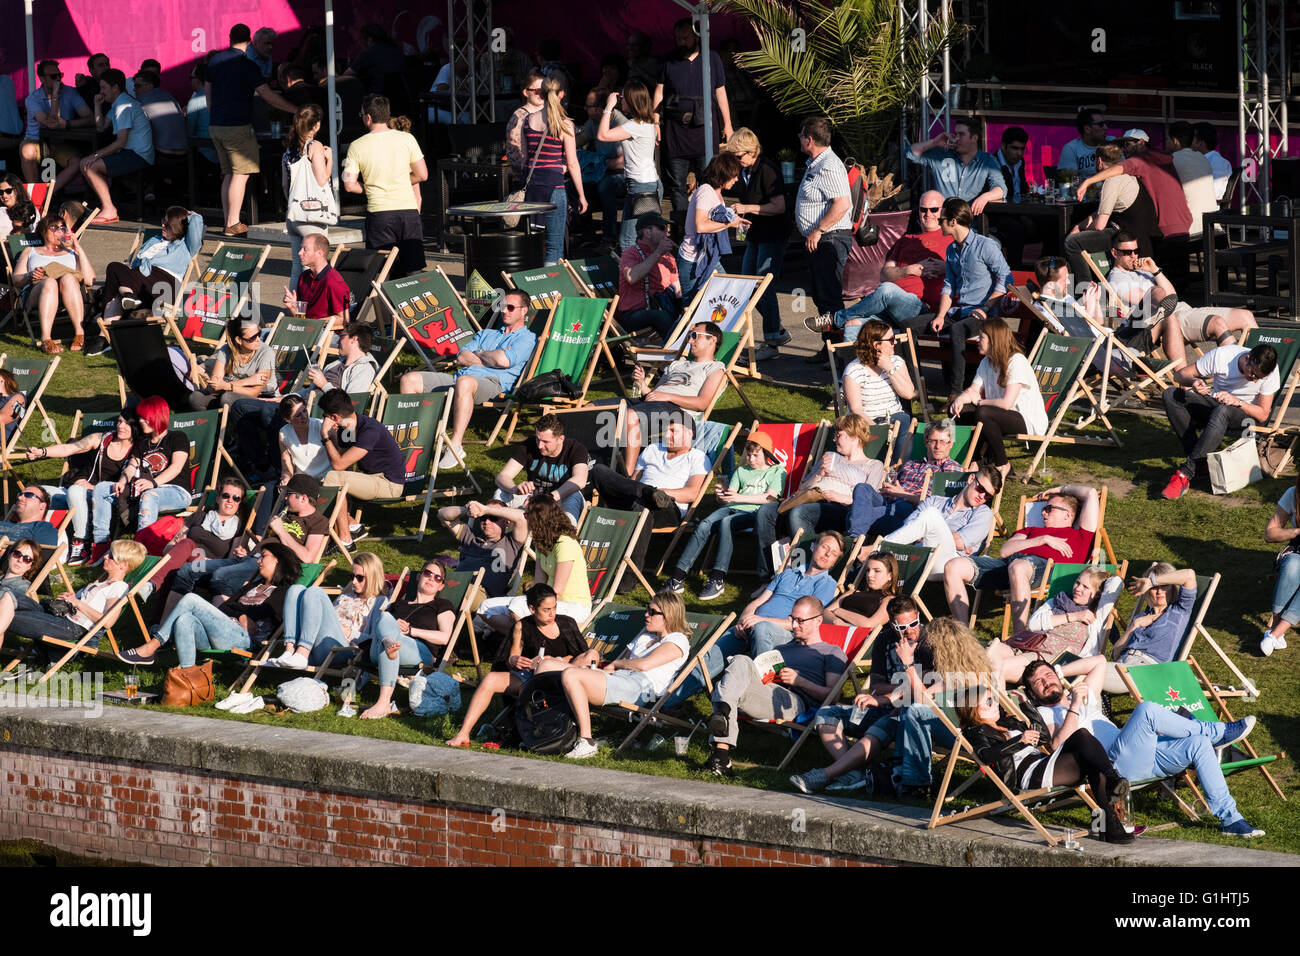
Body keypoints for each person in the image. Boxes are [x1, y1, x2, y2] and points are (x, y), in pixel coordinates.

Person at [1019, 656, 1263, 837]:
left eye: (1048, 675)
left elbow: (1100, 661)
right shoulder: (1044, 712)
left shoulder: (1082, 693)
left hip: (1143, 754)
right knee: (1146, 710)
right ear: (1032, 692)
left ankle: (1231, 820)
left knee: (1198, 744)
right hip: (1114, 766)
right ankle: (1217, 732)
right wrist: (1075, 706)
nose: (1046, 682)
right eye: (1038, 682)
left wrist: (1060, 670)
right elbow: (1058, 745)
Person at [789, 610, 976, 798]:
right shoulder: (941, 671)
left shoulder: (962, 675)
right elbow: (913, 694)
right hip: (902, 712)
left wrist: (908, 664)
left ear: (945, 648)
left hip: (945, 731)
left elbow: (921, 699)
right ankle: (850, 772)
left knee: (906, 713)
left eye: (933, 645)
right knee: (829, 713)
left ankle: (827, 774)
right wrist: (878, 699)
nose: (927, 647)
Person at [665, 532, 843, 708]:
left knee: (763, 628)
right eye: (825, 547)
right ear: (813, 547)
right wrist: (744, 620)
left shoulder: (827, 584)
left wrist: (759, 621)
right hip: (753, 626)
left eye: (834, 553)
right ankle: (665, 703)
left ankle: (765, 692)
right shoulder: (787, 574)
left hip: (786, 635)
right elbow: (758, 601)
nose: (828, 554)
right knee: (709, 657)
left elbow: (806, 622)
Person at [958, 685, 1134, 843]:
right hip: (1029, 774)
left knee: (1090, 757)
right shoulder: (976, 731)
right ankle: (1112, 792)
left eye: (994, 698)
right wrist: (1020, 740)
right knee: (1082, 736)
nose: (995, 703)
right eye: (989, 701)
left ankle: (1109, 825)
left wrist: (1027, 706)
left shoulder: (1006, 722)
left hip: (1042, 761)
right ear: (975, 710)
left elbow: (1043, 737)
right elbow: (986, 756)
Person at [704, 595, 846, 777]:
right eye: (792, 619)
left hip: (794, 703)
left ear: (818, 621)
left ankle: (721, 731)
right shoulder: (783, 648)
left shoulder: (832, 652)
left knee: (725, 690)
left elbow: (833, 697)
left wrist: (799, 681)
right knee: (740, 660)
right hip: (766, 692)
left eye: (800, 621)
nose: (794, 625)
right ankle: (721, 751)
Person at [543, 591, 691, 759]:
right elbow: (622, 664)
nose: (646, 614)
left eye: (652, 611)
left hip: (641, 688)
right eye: (647, 609)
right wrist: (605, 669)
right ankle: (543, 729)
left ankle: (586, 741)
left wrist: (616, 664)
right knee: (546, 665)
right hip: (620, 679)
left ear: (669, 616)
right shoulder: (644, 637)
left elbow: (643, 665)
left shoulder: (678, 640)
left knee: (571, 675)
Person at [399, 288, 538, 468]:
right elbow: (462, 357)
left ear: (524, 311)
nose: (504, 310)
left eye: (510, 307)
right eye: (502, 306)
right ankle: (416, 439)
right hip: (460, 378)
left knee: (464, 383)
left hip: (494, 385)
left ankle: (456, 445)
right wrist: (489, 358)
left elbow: (503, 361)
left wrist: (479, 354)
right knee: (409, 380)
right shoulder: (487, 333)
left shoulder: (527, 338)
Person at [446, 582, 591, 747]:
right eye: (546, 610)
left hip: (562, 676)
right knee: (491, 679)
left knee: (529, 690)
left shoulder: (566, 624)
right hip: (530, 675)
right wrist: (514, 660)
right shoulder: (523, 626)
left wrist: (558, 660)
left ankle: (526, 732)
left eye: (554, 608)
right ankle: (463, 733)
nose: (552, 614)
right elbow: (512, 656)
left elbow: (581, 656)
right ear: (532, 609)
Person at [118, 540, 300, 668]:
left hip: (244, 642)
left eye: (264, 556)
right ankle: (188, 678)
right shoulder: (253, 585)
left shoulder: (284, 591)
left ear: (277, 560)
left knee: (191, 599)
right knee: (185, 620)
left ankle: (153, 645)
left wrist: (240, 612)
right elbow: (224, 608)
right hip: (225, 632)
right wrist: (243, 614)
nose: (259, 561)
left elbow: (262, 612)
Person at [944, 484, 1102, 631]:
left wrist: (1060, 488)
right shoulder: (1031, 530)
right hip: (1009, 566)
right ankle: (963, 634)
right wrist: (1043, 539)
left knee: (1018, 566)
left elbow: (1091, 493)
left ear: (1067, 515)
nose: (1043, 512)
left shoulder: (1080, 536)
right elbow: (1005, 551)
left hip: (1046, 569)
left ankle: (1020, 635)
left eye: (1049, 508)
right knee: (953, 566)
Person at [804, 189, 951, 338]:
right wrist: (909, 270)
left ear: (943, 211)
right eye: (923, 209)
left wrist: (945, 267)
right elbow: (884, 275)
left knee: (887, 290)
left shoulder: (949, 239)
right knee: (852, 325)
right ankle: (849, 361)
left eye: (934, 210)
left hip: (920, 309)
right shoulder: (906, 240)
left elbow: (966, 270)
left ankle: (835, 319)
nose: (928, 214)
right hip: (889, 308)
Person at [754, 415, 884, 580]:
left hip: (841, 509)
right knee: (766, 511)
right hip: (810, 499)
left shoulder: (873, 465)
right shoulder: (829, 456)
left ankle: (805, 572)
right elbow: (803, 488)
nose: (834, 439)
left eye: (839, 435)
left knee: (799, 513)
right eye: (834, 435)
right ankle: (767, 577)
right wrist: (819, 473)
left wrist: (840, 497)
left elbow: (867, 502)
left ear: (854, 437)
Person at [664, 430, 785, 600]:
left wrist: (739, 497)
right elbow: (729, 499)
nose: (751, 459)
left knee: (726, 522)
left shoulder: (777, 472)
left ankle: (717, 578)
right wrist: (721, 496)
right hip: (732, 507)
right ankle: (677, 577)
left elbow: (770, 498)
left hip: (754, 512)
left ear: (766, 455)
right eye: (749, 455)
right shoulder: (741, 470)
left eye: (756, 455)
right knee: (704, 524)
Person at [1106, 233, 1257, 368]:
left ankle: (1265, 369)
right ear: (1115, 253)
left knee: (1246, 316)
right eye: (1127, 253)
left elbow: (1172, 297)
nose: (1133, 256)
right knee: (1217, 323)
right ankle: (1237, 374)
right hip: (1167, 320)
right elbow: (1158, 303)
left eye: (1136, 251)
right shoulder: (1117, 280)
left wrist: (1155, 271)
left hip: (1183, 309)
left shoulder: (1143, 272)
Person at [205, 24, 297, 236]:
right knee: (242, 173)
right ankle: (233, 223)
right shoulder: (247, 65)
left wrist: (213, 113)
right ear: (250, 42)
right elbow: (268, 95)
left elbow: (208, 91)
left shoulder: (215, 61)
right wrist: (294, 109)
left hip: (216, 125)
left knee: (228, 173)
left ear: (229, 38)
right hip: (237, 126)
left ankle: (229, 221)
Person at [588, 417, 709, 572]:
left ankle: (629, 575)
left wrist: (661, 493)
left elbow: (692, 493)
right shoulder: (653, 449)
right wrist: (645, 491)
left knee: (643, 504)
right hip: (636, 497)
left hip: (667, 507)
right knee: (599, 470)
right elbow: (633, 482)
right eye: (666, 430)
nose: (667, 435)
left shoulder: (697, 457)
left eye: (673, 431)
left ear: (689, 433)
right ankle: (647, 491)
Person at [1160, 342, 1278, 500]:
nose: (1255, 380)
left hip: (1246, 419)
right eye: (1253, 374)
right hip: (1216, 406)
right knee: (1171, 395)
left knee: (1223, 410)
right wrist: (1193, 382)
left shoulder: (1271, 371)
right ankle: (1200, 462)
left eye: (1259, 378)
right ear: (1247, 358)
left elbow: (1263, 415)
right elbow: (1179, 375)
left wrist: (1238, 401)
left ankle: (1186, 473)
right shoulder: (1222, 356)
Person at [925, 197, 1014, 400]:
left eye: (941, 219)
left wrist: (987, 306)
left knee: (957, 330)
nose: (939, 223)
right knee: (908, 325)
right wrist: (940, 315)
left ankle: (956, 392)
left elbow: (1007, 277)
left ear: (953, 222)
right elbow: (949, 285)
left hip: (982, 314)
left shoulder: (985, 245)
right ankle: (914, 386)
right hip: (959, 311)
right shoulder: (951, 250)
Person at [0, 539, 146, 658]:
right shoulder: (102, 582)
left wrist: (77, 603)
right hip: (59, 619)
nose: (106, 556)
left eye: (111, 556)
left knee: (7, 604)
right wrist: (71, 599)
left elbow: (108, 622)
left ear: (123, 565)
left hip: (72, 628)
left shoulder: (119, 587)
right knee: (9, 598)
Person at [616, 319, 726, 474]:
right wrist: (642, 384)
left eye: (695, 335)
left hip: (678, 412)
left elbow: (702, 403)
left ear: (712, 340)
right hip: (655, 404)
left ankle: (628, 475)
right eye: (689, 336)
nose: (690, 340)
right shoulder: (677, 364)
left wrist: (667, 396)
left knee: (631, 415)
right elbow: (654, 395)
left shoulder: (715, 368)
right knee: (595, 408)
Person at [29, 411, 141, 562]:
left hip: (110, 498)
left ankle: (81, 542)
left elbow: (129, 479)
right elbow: (72, 448)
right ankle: (30, 537)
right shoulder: (103, 439)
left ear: (135, 426)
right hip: (81, 494)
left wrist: (95, 489)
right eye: (120, 422)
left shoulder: (138, 448)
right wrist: (41, 452)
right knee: (37, 492)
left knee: (75, 490)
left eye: (127, 423)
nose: (121, 426)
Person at [51, 68, 154, 228]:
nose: (101, 92)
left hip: (138, 155)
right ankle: (108, 205)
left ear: (115, 88)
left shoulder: (123, 105)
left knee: (89, 165)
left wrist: (96, 155)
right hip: (132, 152)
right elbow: (101, 126)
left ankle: (109, 209)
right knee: (88, 163)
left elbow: (121, 142)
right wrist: (97, 105)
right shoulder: (118, 103)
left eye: (104, 88)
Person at [475, 495, 592, 635]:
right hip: (547, 601)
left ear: (539, 518)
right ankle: (523, 638)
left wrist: (532, 605)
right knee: (486, 608)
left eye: (527, 514)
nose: (524, 517)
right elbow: (539, 583)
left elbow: (558, 591)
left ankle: (527, 643)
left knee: (517, 607)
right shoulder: (541, 542)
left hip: (573, 606)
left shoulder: (564, 543)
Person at [720, 128, 792, 358]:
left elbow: (779, 206)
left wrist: (748, 208)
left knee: (764, 286)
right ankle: (777, 330)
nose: (737, 160)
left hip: (772, 236)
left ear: (752, 152)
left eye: (739, 156)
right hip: (755, 235)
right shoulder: (746, 171)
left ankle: (772, 342)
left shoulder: (767, 170)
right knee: (747, 287)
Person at [949, 317, 1048, 481]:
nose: (977, 341)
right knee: (960, 409)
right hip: (996, 414)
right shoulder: (986, 362)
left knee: (983, 412)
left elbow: (1006, 403)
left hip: (1025, 418)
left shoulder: (1016, 361)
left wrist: (979, 402)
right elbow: (974, 389)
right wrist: (960, 400)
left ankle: (1003, 464)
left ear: (994, 340)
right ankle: (974, 461)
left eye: (981, 337)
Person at [362, 557, 461, 720]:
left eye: (437, 578)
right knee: (385, 616)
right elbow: (379, 626)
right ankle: (389, 642)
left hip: (420, 651)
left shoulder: (442, 605)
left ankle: (383, 702)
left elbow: (444, 638)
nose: (431, 579)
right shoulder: (398, 605)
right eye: (428, 573)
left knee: (389, 632)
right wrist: (393, 627)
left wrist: (411, 631)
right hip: (384, 646)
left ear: (441, 586)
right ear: (419, 576)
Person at [986, 565, 1119, 687]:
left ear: (1097, 595)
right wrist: (1073, 616)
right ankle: (978, 705)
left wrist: (1102, 580)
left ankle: (993, 709)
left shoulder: (1098, 614)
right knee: (988, 655)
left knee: (998, 668)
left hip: (1051, 659)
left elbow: (1116, 582)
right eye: (1077, 583)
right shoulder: (1059, 601)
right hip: (1029, 645)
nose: (1078, 588)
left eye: (1085, 587)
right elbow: (1033, 625)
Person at [654, 17, 734, 214]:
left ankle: (705, 223)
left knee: (709, 181)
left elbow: (720, 92)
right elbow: (659, 92)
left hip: (705, 129)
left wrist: (728, 124)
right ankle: (683, 227)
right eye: (678, 39)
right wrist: (654, 121)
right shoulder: (668, 61)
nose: (682, 42)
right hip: (675, 130)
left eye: (686, 38)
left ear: (697, 37)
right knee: (677, 185)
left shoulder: (712, 58)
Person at [342, 94, 427, 277]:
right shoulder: (407, 139)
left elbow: (349, 185)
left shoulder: (356, 146)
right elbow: (422, 174)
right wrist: (402, 180)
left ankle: (386, 306)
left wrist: (370, 187)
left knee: (382, 271)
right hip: (408, 211)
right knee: (413, 270)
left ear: (368, 117)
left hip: (379, 213)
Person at [150, 476, 250, 617]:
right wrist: (176, 544)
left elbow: (229, 564)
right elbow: (167, 549)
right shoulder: (198, 517)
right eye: (226, 495)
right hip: (183, 561)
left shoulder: (238, 528)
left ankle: (152, 585)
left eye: (236, 498)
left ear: (239, 503)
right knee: (182, 555)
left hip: (208, 569)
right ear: (217, 498)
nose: (230, 500)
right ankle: (160, 624)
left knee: (188, 545)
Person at [847, 417, 964, 539]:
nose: (937, 446)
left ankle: (854, 537)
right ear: (926, 442)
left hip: (911, 511)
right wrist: (887, 489)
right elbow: (893, 486)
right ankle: (856, 529)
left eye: (943, 441)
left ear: (950, 444)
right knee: (862, 488)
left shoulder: (951, 469)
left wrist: (904, 494)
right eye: (933, 441)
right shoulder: (909, 464)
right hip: (888, 503)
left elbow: (941, 506)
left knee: (851, 516)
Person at [266, 551, 387, 669]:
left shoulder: (379, 602)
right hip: (316, 644)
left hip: (341, 650)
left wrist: (347, 631)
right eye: (352, 576)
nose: (354, 581)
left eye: (360, 578)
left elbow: (374, 641)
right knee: (295, 589)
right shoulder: (346, 596)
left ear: (373, 577)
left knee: (315, 592)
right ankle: (289, 651)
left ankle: (302, 653)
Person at [318, 389, 405, 549]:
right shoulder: (350, 424)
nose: (325, 420)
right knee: (331, 478)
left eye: (325, 416)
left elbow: (338, 465)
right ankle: (352, 525)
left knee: (332, 477)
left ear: (334, 417)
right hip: (373, 478)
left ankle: (346, 540)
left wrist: (325, 436)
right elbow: (341, 457)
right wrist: (333, 437)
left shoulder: (369, 431)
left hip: (388, 483)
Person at [795, 116, 853, 355]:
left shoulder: (828, 165)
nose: (798, 139)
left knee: (829, 297)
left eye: (801, 136)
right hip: (822, 239)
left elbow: (842, 204)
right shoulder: (817, 162)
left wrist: (818, 230)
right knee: (822, 295)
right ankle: (830, 346)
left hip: (830, 238)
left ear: (809, 140)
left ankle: (840, 351)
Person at [94, 205, 204, 331]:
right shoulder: (154, 240)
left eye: (167, 225)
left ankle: (106, 328)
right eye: (163, 221)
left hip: (166, 284)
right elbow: (136, 265)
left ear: (177, 227)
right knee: (114, 267)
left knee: (117, 280)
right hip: (141, 281)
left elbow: (196, 223)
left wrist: (190, 214)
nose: (162, 226)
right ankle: (107, 330)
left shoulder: (186, 245)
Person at [882, 463, 1001, 576]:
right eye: (980, 489)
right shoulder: (934, 501)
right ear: (971, 479)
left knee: (931, 515)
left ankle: (880, 550)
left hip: (949, 564)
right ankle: (881, 555)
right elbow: (908, 526)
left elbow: (960, 543)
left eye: (987, 496)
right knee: (930, 515)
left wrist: (924, 531)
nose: (982, 496)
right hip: (917, 554)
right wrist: (943, 534)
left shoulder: (983, 513)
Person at [1064, 143, 1160, 280]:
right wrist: (1079, 226)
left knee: (1072, 242)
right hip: (1142, 234)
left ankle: (1084, 290)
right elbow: (1101, 211)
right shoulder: (1128, 176)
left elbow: (1099, 226)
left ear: (1099, 161)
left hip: (1128, 236)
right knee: (1079, 235)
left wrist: (1083, 230)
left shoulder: (1111, 182)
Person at [520, 74, 587, 266]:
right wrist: (582, 195)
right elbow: (573, 163)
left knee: (534, 241)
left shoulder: (528, 120)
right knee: (554, 245)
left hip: (533, 187)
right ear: (561, 94)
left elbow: (526, 158)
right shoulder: (565, 124)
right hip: (554, 187)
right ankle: (551, 288)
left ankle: (532, 282)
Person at [1076, 132, 1192, 241]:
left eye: (1127, 144)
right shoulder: (1158, 157)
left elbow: (1120, 168)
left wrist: (1088, 181)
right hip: (1182, 222)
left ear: (1141, 143)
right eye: (1122, 146)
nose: (1123, 149)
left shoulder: (1141, 161)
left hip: (1166, 228)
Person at [13, 214, 95, 354]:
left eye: (62, 228)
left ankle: (79, 334)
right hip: (38, 291)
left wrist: (78, 249)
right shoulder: (30, 251)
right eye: (54, 227)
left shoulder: (72, 252)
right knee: (50, 282)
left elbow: (89, 280)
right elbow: (16, 280)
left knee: (69, 278)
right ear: (43, 231)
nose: (59, 231)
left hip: (68, 290)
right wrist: (29, 275)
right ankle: (46, 339)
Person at [119, 395, 193, 545]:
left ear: (157, 416)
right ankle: (103, 543)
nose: (141, 421)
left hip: (177, 491)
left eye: (146, 418)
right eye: (141, 418)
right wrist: (122, 481)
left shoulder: (177, 437)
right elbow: (132, 466)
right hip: (149, 490)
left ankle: (141, 547)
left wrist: (153, 483)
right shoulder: (143, 443)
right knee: (108, 490)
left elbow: (176, 467)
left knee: (149, 496)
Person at [597, 82, 661, 252]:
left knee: (628, 241)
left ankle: (632, 277)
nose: (620, 100)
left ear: (631, 101)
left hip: (640, 187)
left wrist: (608, 107)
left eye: (622, 97)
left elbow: (602, 135)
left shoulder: (634, 126)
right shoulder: (646, 123)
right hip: (648, 184)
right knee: (647, 240)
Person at [839, 320, 915, 463]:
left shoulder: (896, 362)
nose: (895, 343)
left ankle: (897, 468)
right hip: (866, 422)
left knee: (905, 419)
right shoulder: (854, 370)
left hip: (895, 418)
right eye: (891, 340)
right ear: (876, 345)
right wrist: (879, 429)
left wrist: (889, 368)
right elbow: (856, 410)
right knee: (901, 422)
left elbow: (908, 393)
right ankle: (890, 469)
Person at [493, 413, 588, 525]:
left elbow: (580, 480)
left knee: (574, 495)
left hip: (561, 497)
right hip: (534, 498)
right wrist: (515, 489)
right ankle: (496, 531)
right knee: (501, 492)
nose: (539, 446)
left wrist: (549, 498)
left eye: (545, 442)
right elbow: (502, 477)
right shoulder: (529, 446)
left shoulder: (575, 449)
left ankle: (565, 535)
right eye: (538, 439)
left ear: (560, 439)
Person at [676, 151, 746, 297]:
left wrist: (736, 222)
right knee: (691, 310)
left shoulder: (716, 194)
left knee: (726, 297)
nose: (736, 179)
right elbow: (701, 226)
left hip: (708, 257)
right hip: (693, 260)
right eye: (734, 176)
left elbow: (714, 222)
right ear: (724, 174)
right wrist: (728, 224)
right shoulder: (706, 191)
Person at [282, 105, 335, 289]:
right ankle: (313, 307)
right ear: (316, 125)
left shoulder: (288, 151)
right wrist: (330, 160)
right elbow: (322, 180)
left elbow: (285, 185)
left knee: (298, 266)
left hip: (294, 215)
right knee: (317, 267)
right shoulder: (315, 146)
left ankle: (295, 308)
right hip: (312, 216)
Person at [907, 116, 1006, 211]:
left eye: (961, 134)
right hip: (942, 222)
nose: (957, 138)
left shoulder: (987, 160)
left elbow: (1000, 188)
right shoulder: (941, 155)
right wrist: (934, 142)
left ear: (974, 138)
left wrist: (985, 197)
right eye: (955, 134)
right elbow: (910, 154)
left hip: (970, 224)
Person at [1110, 564, 1198, 668]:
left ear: (1173, 587)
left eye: (1165, 585)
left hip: (1147, 669)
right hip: (1123, 663)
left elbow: (1189, 575)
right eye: (1154, 587)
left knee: (1093, 671)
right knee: (1097, 664)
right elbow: (1115, 654)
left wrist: (1151, 582)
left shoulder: (1179, 611)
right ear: (1147, 591)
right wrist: (1134, 626)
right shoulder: (1141, 617)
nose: (1159, 591)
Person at [20, 59, 93, 184]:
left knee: (77, 162)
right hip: (36, 141)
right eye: (54, 76)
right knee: (27, 151)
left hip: (59, 142)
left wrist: (68, 124)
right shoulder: (32, 99)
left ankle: (48, 194)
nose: (58, 79)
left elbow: (90, 118)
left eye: (60, 75)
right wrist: (54, 95)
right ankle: (35, 199)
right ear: (42, 79)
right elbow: (51, 123)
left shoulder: (70, 92)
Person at [436, 502, 527, 600]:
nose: (487, 522)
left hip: (482, 594)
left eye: (493, 518)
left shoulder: (512, 543)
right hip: (456, 583)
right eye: (483, 517)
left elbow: (523, 517)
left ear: (507, 522)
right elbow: (442, 514)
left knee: (461, 592)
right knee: (427, 578)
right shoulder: (470, 536)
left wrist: (486, 509)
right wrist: (467, 509)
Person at [616, 212, 680, 343]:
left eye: (667, 229)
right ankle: (676, 354)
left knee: (689, 310)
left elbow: (677, 289)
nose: (667, 232)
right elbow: (631, 277)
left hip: (662, 307)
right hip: (633, 314)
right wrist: (657, 253)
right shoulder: (631, 253)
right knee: (660, 316)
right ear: (647, 232)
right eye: (662, 228)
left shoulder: (668, 256)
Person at [1263, 471, 1300, 657]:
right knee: (1292, 563)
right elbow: (1270, 533)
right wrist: (1296, 532)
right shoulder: (1294, 494)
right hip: (1298, 549)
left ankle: (1275, 633)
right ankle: (1277, 634)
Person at [282, 233, 351, 326]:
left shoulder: (333, 282)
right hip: (306, 330)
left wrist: (313, 325)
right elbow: (301, 318)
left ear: (319, 253)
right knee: (262, 334)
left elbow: (344, 319)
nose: (299, 252)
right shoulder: (304, 277)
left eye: (305, 249)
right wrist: (293, 308)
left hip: (327, 334)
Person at [825, 549, 898, 631]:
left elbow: (869, 625)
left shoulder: (889, 601)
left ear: (890, 575)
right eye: (868, 570)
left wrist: (838, 611)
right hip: (831, 631)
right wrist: (836, 621)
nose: (869, 575)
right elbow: (824, 613)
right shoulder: (852, 592)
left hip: (854, 639)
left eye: (877, 571)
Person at [132, 69, 188, 162]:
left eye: (137, 86)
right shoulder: (168, 95)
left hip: (163, 155)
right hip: (184, 153)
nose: (134, 89)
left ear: (149, 86)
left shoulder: (141, 100)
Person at [505, 69, 546, 186]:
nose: (541, 94)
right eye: (537, 91)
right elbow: (514, 152)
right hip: (528, 177)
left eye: (544, 90)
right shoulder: (519, 117)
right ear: (526, 92)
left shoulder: (548, 113)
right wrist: (526, 170)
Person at [1058, 108, 1108, 180]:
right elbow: (1069, 180)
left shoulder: (1113, 144)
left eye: (1105, 123)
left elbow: (1123, 172)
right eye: (1101, 124)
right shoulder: (1071, 148)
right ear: (1087, 129)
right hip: (1084, 190)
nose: (1106, 127)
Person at [1191, 122, 1232, 202]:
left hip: (1205, 211)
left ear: (1200, 143)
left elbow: (1214, 192)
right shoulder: (1196, 160)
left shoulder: (1218, 162)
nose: (1189, 143)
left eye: (1191, 139)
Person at [0, 175, 38, 239]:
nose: (4, 195)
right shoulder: (1, 211)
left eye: (8, 191)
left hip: (28, 245)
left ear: (17, 190)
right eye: (0, 192)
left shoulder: (30, 210)